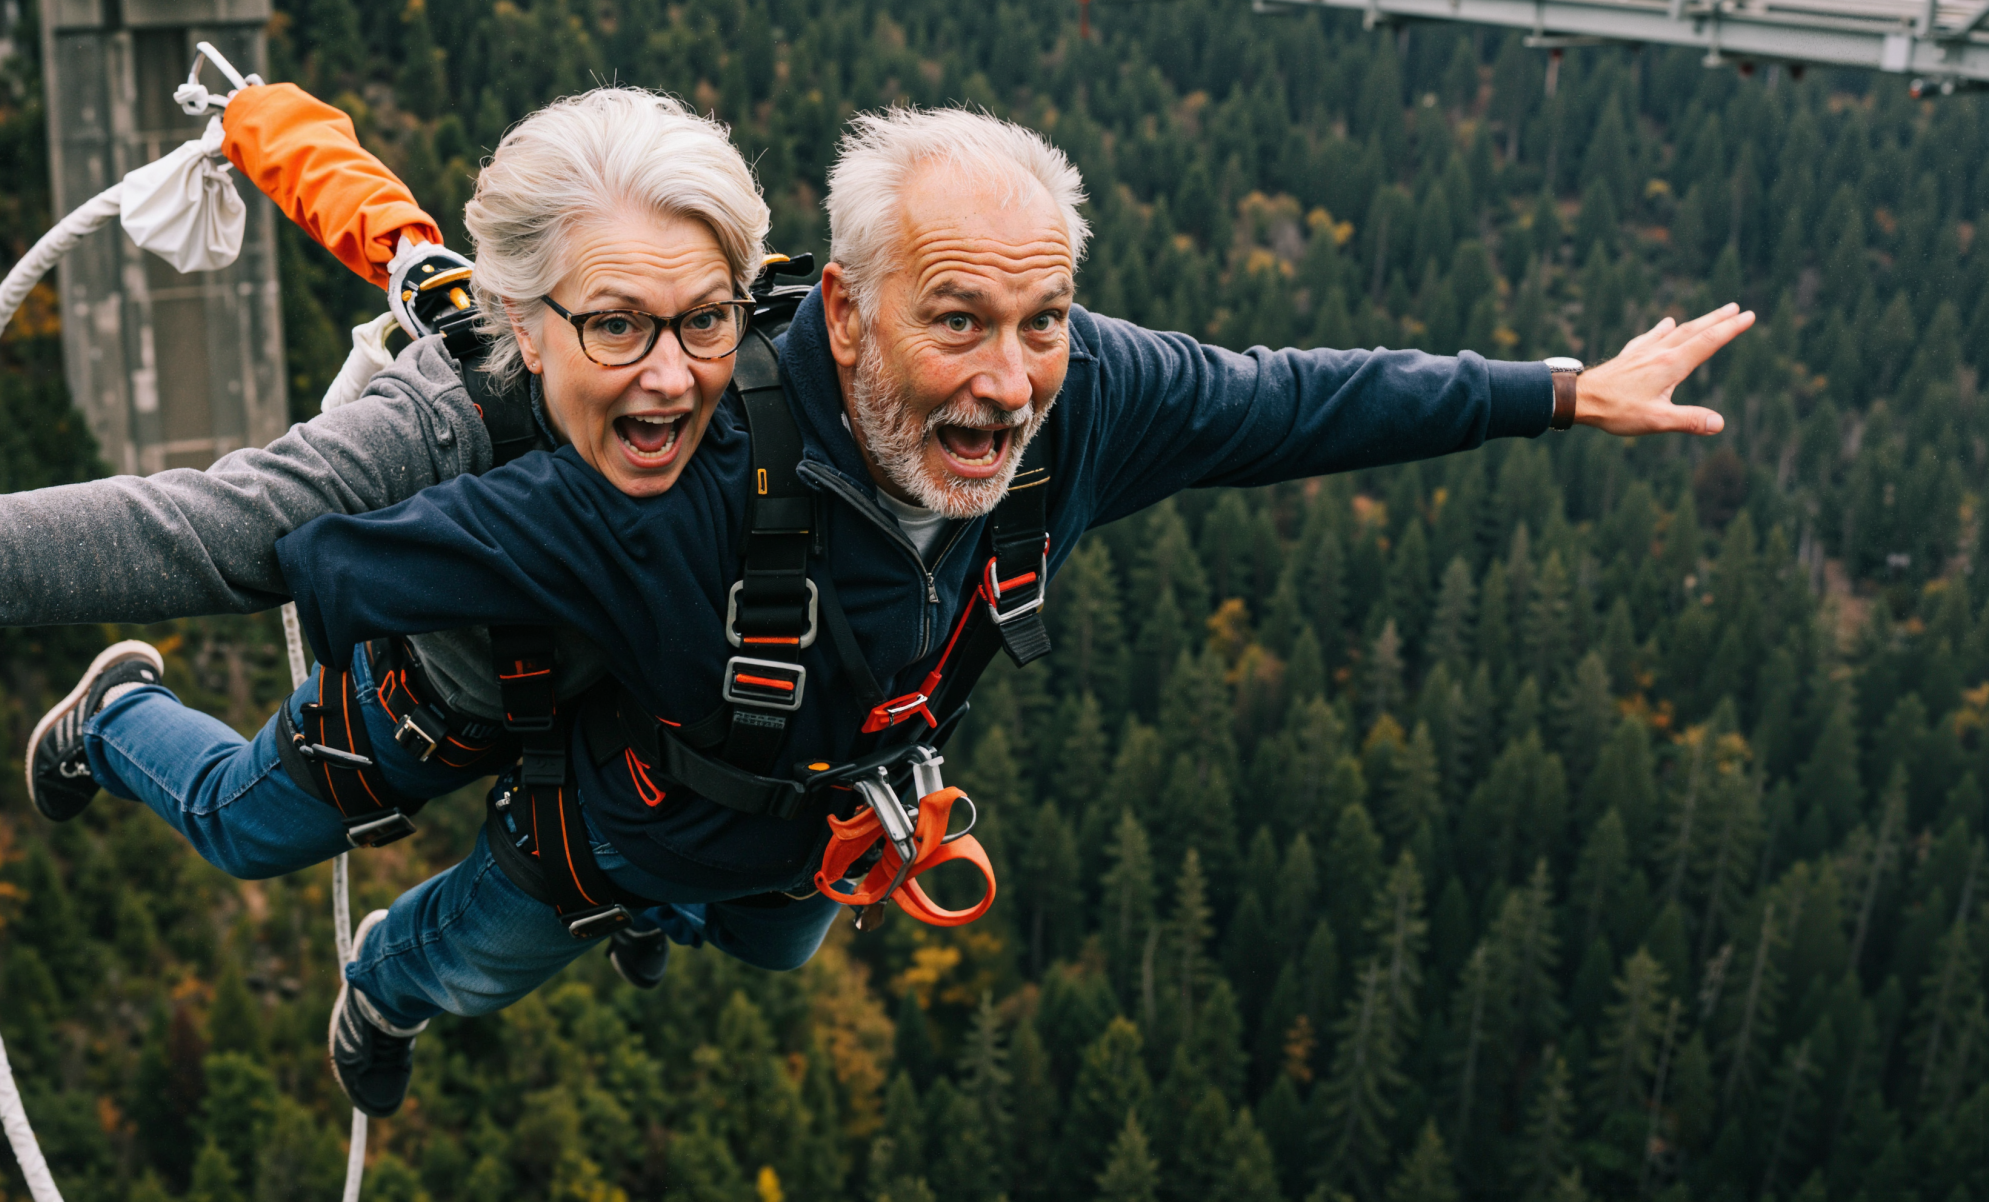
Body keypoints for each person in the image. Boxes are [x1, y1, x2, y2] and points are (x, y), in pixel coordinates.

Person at [253, 108, 1756, 1117]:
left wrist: (1556, 393)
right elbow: (332, 553)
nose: (1010, 378)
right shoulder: (688, 453)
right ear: (847, 313)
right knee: (472, 959)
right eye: (957, 321)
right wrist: (401, 541)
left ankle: (669, 914)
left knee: (771, 945)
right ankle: (383, 981)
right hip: (623, 800)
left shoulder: (1085, 395)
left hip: (810, 818)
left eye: (1040, 323)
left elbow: (1303, 400)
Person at [0, 82, 774, 1000]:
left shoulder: (768, 393)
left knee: (711, 885)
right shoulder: (438, 427)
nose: (669, 379)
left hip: (626, 732)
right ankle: (113, 718)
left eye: (703, 319)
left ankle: (540, 933)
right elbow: (191, 526)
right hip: (436, 698)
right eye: (616, 326)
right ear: (523, 322)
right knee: (244, 830)